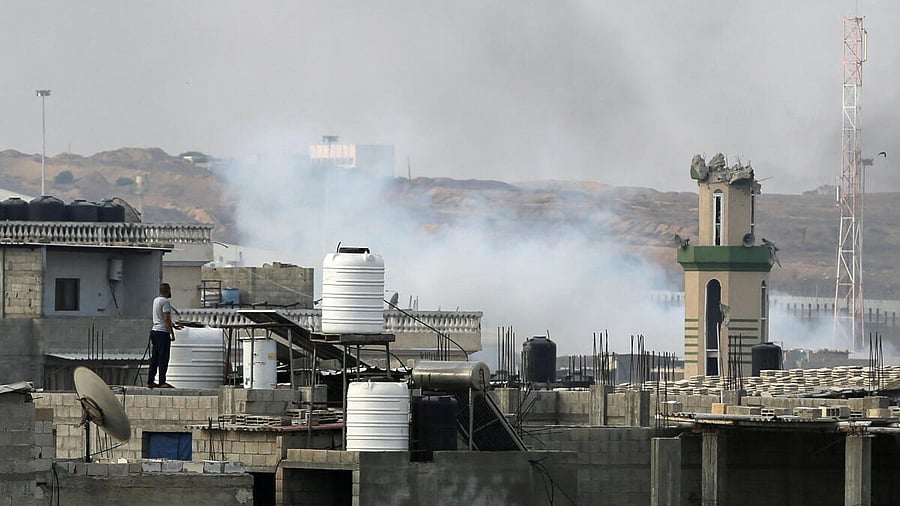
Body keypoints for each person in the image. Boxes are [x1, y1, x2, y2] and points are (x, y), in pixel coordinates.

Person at [147, 283, 181, 388]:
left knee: (155, 358)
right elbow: (166, 318)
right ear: (168, 290)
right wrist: (171, 332)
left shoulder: (156, 300)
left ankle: (150, 381)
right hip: (162, 333)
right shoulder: (165, 302)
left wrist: (173, 326)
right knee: (163, 357)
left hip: (155, 331)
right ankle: (162, 381)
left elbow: (161, 318)